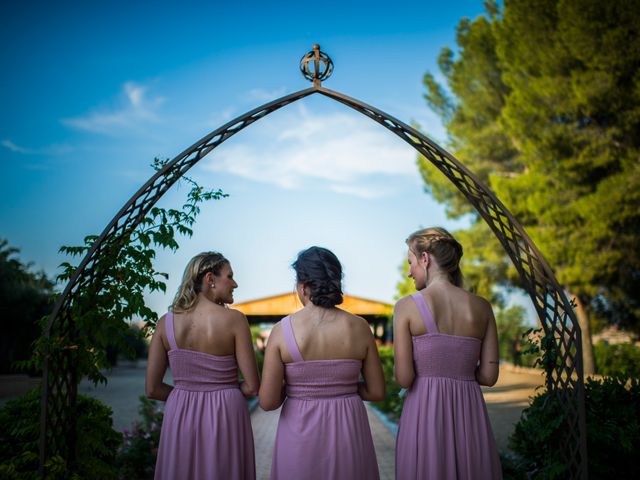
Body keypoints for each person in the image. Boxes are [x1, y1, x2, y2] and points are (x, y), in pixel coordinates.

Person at [259, 246, 385, 480]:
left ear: (303, 285)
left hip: (299, 429)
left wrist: (299, 388)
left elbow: (267, 401)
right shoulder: (359, 327)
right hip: (349, 428)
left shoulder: (281, 331)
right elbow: (377, 391)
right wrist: (341, 387)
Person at [394, 227, 502, 479]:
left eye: (410, 262)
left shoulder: (406, 307)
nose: (409, 272)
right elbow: (489, 376)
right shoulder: (482, 307)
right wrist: (459, 368)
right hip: (469, 413)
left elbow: (404, 378)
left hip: (424, 414)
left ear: (425, 259)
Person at [146, 252, 259, 480]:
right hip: (226, 411)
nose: (235, 283)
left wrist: (185, 394)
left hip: (180, 411)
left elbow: (153, 389)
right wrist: (226, 389)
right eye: (230, 276)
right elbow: (253, 386)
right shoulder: (235, 320)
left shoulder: (165, 323)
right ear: (210, 278)